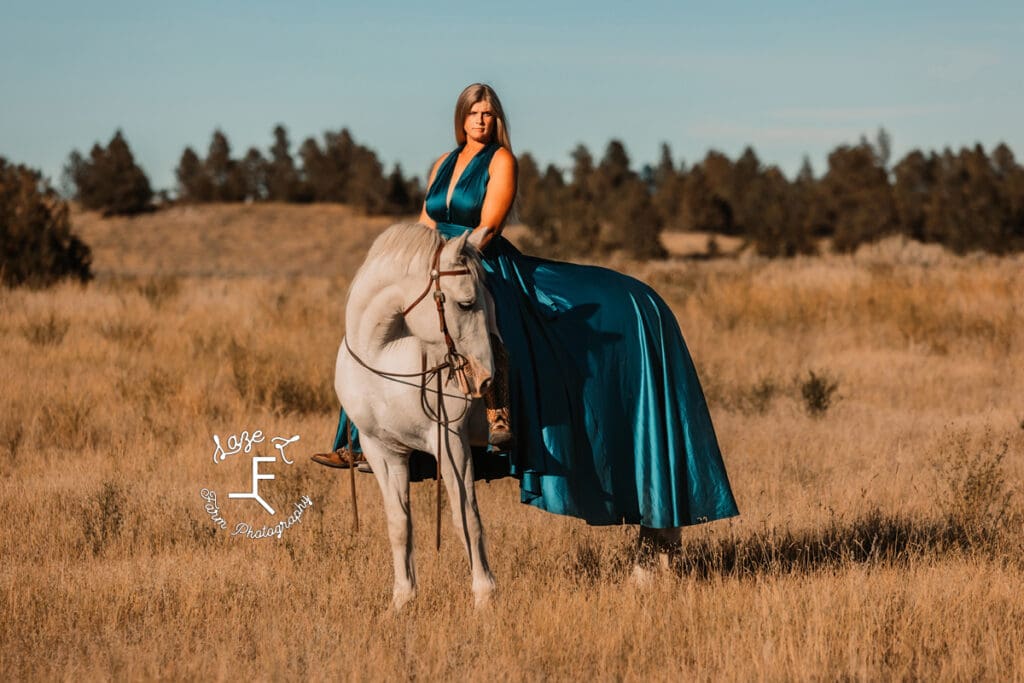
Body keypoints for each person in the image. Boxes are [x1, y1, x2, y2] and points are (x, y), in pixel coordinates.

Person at [313, 83, 738, 533]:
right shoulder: (442, 163)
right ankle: (358, 437)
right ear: (460, 117)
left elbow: (491, 223)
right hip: (441, 261)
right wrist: (415, 262)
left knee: (491, 325)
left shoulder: (501, 161)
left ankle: (500, 413)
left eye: (490, 114)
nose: (482, 120)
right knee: (381, 328)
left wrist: (456, 256)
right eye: (475, 113)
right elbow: (426, 222)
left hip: (480, 259)